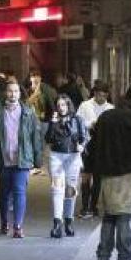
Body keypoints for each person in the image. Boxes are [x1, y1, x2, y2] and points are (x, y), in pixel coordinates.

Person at [88, 84, 131, 260]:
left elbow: (93, 141)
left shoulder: (105, 117)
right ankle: (125, 257)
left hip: (104, 174)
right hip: (126, 173)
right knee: (124, 216)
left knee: (109, 216)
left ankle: (103, 256)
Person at [0, 81, 44, 238]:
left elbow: (36, 135)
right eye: (10, 91)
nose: (12, 94)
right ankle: (4, 222)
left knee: (20, 192)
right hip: (3, 159)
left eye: (15, 91)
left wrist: (37, 159)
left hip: (22, 159)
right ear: (5, 93)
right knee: (4, 194)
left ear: (20, 94)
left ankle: (18, 226)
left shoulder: (28, 111)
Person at [44, 95, 87, 239]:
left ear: (69, 105)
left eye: (64, 105)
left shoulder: (77, 120)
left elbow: (84, 137)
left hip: (73, 157)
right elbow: (48, 139)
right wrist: (52, 123)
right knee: (57, 189)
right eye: (59, 105)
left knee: (70, 190)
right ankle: (57, 223)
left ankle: (69, 221)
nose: (61, 108)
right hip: (56, 156)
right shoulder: (54, 120)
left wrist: (82, 146)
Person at [76, 82, 114, 218]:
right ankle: (85, 206)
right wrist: (89, 124)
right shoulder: (85, 105)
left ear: (107, 95)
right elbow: (78, 121)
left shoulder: (110, 108)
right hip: (87, 145)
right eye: (98, 95)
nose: (101, 98)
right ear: (94, 93)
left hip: (102, 146)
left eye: (104, 96)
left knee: (98, 177)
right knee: (86, 176)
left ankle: (94, 206)